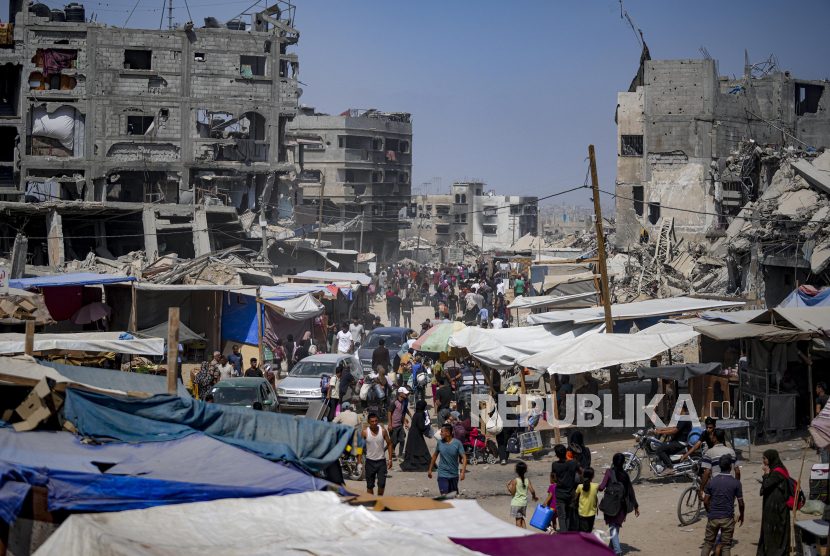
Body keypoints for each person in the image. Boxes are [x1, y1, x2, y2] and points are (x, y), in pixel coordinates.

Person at [701, 454, 744, 556]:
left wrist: (710, 512)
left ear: (719, 466)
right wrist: (742, 515)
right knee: (726, 547)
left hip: (713, 517)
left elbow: (706, 501)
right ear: (730, 466)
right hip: (727, 518)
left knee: (708, 544)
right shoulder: (736, 483)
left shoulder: (712, 482)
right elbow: (741, 503)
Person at [599, 453, 640, 556]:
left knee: (612, 527)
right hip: (622, 506)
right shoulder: (625, 475)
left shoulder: (609, 472)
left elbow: (601, 487)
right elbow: (630, 491)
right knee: (615, 527)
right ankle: (610, 549)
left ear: (613, 461)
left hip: (611, 505)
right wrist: (636, 506)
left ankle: (618, 551)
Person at [757, 449, 791, 556]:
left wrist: (766, 474)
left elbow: (767, 484)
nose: (763, 461)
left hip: (777, 506)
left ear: (771, 458)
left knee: (775, 528)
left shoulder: (777, 471)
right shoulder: (776, 469)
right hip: (772, 503)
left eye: (764, 458)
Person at [428, 423, 467, 496]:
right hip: (442, 474)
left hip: (453, 475)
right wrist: (430, 469)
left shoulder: (457, 443)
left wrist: (463, 472)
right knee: (444, 495)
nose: (440, 433)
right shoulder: (440, 443)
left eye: (442, 432)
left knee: (452, 497)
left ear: (448, 433)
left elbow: (464, 457)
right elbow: (434, 456)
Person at [551, 444, 581, 532]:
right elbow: (580, 472)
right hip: (570, 493)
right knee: (568, 514)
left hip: (560, 493)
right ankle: (567, 533)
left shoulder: (555, 464)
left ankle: (564, 535)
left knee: (561, 516)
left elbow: (555, 478)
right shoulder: (573, 463)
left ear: (557, 455)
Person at [653, 404, 692, 471]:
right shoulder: (684, 417)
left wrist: (660, 432)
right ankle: (667, 464)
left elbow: (674, 431)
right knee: (663, 445)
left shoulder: (684, 418)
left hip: (680, 442)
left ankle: (670, 468)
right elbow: (673, 428)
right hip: (678, 441)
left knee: (659, 449)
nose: (675, 410)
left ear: (681, 409)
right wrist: (660, 430)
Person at [362, 413, 393, 495]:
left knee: (382, 484)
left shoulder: (383, 431)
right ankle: (372, 501)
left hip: (381, 462)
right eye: (372, 421)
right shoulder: (365, 432)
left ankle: (379, 500)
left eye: (376, 421)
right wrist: (359, 463)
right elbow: (359, 447)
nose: (374, 423)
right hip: (369, 462)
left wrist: (390, 459)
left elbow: (389, 444)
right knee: (369, 486)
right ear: (369, 422)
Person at [400, 400, 432, 472]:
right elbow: (421, 427)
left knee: (414, 449)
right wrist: (428, 425)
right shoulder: (420, 415)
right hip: (416, 434)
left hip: (414, 433)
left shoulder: (417, 413)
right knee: (420, 449)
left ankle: (407, 465)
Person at [508, 461, 538, 529]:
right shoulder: (527, 480)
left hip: (516, 503)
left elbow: (512, 492)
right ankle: (525, 532)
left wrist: (508, 486)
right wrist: (534, 496)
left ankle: (520, 533)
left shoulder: (515, 480)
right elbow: (532, 491)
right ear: (525, 470)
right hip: (524, 503)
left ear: (516, 470)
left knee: (518, 519)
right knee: (521, 518)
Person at [574, 467, 599, 533]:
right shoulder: (596, 486)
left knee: (584, 530)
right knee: (589, 531)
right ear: (593, 476)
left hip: (582, 512)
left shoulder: (580, 486)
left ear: (583, 475)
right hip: (592, 513)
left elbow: (575, 497)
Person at [388, 387, 409, 461]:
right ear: (400, 393)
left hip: (400, 425)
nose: (407, 394)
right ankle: (390, 454)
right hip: (394, 426)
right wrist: (390, 425)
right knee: (393, 442)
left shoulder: (403, 403)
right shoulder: (394, 402)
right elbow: (389, 412)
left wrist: (405, 423)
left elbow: (402, 414)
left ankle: (400, 456)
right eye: (405, 393)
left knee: (402, 440)